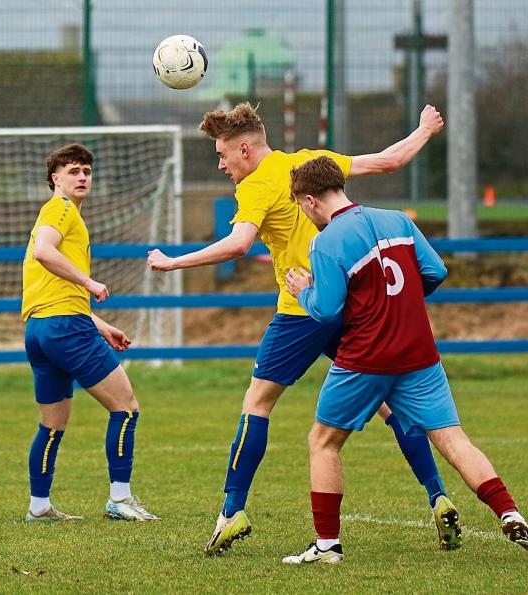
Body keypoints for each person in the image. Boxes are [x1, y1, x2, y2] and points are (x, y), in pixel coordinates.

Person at [147, 102, 460, 554]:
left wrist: (175, 261)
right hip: (351, 306)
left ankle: (232, 512)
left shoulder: (255, 185)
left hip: (302, 309)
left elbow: (238, 244)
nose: (221, 165)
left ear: (245, 148)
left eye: (222, 155)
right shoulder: (307, 164)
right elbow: (390, 160)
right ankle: (438, 495)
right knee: (391, 405)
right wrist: (424, 130)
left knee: (257, 402)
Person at [281, 156, 528, 564]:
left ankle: (327, 545)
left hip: (364, 358)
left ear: (310, 201)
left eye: (301, 208)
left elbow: (326, 311)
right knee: (453, 439)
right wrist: (401, 301)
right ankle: (510, 513)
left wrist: (303, 290)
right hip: (419, 354)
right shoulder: (397, 219)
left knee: (323, 442)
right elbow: (435, 272)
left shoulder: (326, 241)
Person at [21, 143, 159, 522]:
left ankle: (39, 507)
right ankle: (120, 498)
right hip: (65, 327)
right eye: (73, 171)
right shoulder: (60, 209)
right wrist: (91, 283)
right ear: (55, 179)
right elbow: (44, 253)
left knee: (51, 425)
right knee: (126, 409)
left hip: (40, 329)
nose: (82, 177)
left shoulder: (58, 213)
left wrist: (101, 326)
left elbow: (53, 291)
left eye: (86, 172)